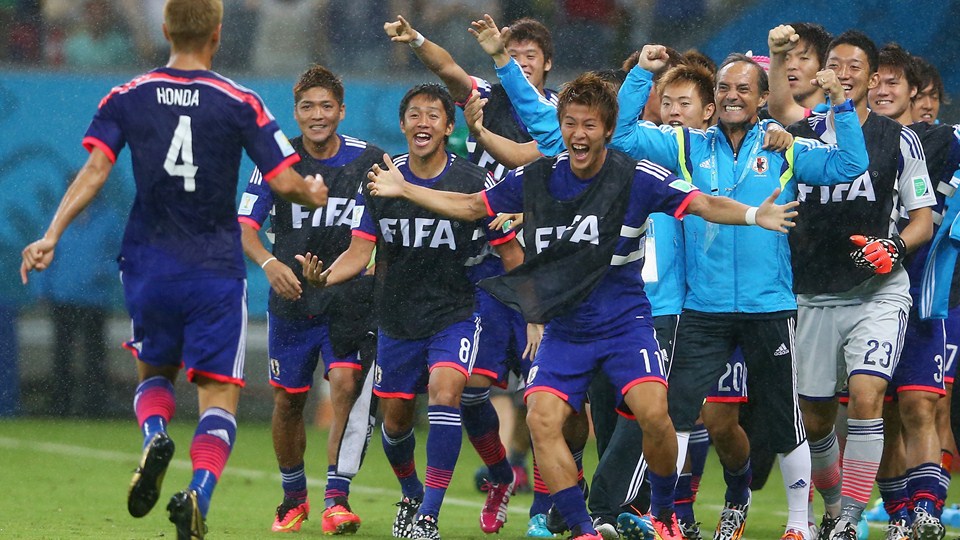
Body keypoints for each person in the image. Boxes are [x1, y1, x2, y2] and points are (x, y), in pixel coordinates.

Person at [358, 71, 801, 540]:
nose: (577, 134)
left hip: (624, 324)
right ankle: (584, 527)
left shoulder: (636, 176)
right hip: (566, 329)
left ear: (608, 130)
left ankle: (666, 511)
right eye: (569, 123)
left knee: (655, 413)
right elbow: (471, 206)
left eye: (589, 125)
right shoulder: (538, 176)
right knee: (541, 418)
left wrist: (755, 214)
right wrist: (405, 189)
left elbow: (704, 205)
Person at [19, 2, 328, 539]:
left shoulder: (127, 96)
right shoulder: (240, 101)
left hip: (148, 263)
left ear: (164, 29)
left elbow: (96, 169)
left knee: (154, 372)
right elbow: (284, 179)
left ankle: (154, 437)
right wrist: (313, 192)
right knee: (218, 395)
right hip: (213, 267)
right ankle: (198, 494)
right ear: (217, 33)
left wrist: (51, 234)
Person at [610, 50, 869, 540]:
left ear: (762, 97)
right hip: (702, 308)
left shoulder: (783, 147)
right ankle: (664, 519)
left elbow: (849, 163)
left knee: (783, 417)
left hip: (768, 304)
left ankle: (799, 525)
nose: (733, 96)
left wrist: (839, 102)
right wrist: (642, 73)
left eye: (744, 89)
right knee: (678, 414)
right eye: (725, 89)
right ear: (713, 99)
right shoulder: (686, 146)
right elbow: (622, 136)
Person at [297, 83, 523, 540]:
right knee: (397, 418)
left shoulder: (473, 182)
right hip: (396, 316)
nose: (423, 122)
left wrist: (535, 312)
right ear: (402, 125)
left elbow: (512, 255)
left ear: (448, 127)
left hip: (456, 310)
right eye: (415, 115)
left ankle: (429, 516)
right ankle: (411, 492)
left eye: (433, 115)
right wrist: (326, 278)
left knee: (447, 392)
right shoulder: (380, 179)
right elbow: (360, 253)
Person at [384, 15, 563, 536]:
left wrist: (529, 215)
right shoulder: (483, 94)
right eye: (515, 54)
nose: (523, 63)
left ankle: (542, 514)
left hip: (541, 266)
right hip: (484, 269)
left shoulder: (557, 117)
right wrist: (416, 39)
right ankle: (502, 477)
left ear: (546, 63)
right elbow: (446, 68)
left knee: (544, 402)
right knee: (469, 392)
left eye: (531, 56)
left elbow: (569, 183)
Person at [781, 31, 936, 540]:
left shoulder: (900, 139)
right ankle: (831, 507)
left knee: (868, 395)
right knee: (817, 417)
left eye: (854, 67)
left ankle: (849, 516)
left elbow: (921, 220)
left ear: (872, 79)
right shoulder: (801, 132)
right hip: (812, 294)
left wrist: (894, 248)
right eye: (835, 64)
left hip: (878, 292)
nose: (842, 73)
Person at [237, 64, 383, 535]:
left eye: (325, 106)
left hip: (348, 301)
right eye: (307, 107)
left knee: (344, 384)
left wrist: (380, 262)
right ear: (295, 113)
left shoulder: (370, 162)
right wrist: (268, 264)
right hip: (293, 302)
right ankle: (293, 496)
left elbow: (394, 216)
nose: (316, 115)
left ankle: (336, 499)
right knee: (288, 402)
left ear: (341, 110)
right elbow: (245, 228)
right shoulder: (276, 162)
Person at [864, 43, 960, 540]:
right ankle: (898, 514)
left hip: (923, 297)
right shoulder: (846, 142)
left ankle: (927, 511)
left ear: (912, 93)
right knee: (874, 413)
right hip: (859, 299)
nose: (881, 89)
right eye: (873, 79)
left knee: (922, 406)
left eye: (892, 83)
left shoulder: (940, 141)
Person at [766, 22, 833, 125]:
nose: (791, 66)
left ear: (824, 67)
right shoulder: (761, 120)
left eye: (803, 58)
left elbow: (782, 110)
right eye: (785, 58)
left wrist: (777, 53)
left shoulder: (835, 118)